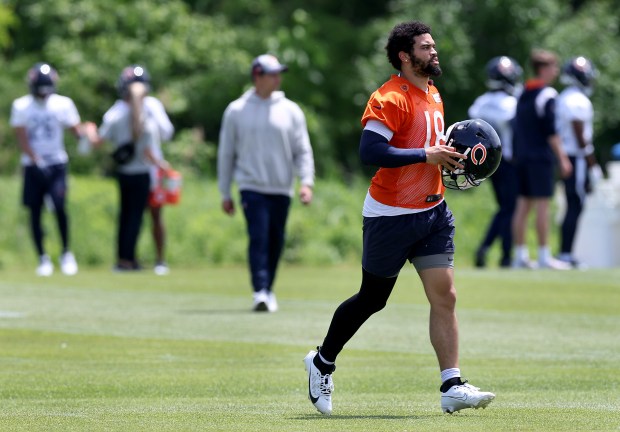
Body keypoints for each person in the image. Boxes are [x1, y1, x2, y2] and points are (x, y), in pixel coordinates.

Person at [303, 21, 496, 416]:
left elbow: (431, 150)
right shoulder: (389, 97)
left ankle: (451, 385)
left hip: (433, 212)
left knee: (446, 295)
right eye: (426, 47)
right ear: (406, 57)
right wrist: (427, 155)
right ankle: (321, 361)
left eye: (434, 45)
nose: (434, 52)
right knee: (372, 299)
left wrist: (450, 155)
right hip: (390, 215)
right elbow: (371, 151)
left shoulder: (435, 94)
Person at [217, 54, 315, 313]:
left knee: (275, 240)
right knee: (258, 236)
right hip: (251, 186)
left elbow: (302, 150)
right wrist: (224, 192)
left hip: (281, 187)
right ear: (257, 76)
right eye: (272, 74)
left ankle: (268, 289)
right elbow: (226, 154)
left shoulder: (291, 110)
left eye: (278, 74)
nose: (277, 79)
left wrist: (306, 182)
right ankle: (260, 290)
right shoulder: (236, 110)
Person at [84, 65, 168, 271]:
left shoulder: (115, 116)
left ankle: (123, 258)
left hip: (124, 173)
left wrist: (89, 130)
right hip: (141, 173)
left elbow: (100, 140)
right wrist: (162, 165)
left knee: (125, 216)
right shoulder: (145, 121)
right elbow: (149, 151)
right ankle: (129, 259)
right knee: (136, 218)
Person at [10, 62, 86, 276]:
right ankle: (42, 257)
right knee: (35, 211)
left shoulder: (63, 104)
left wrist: (86, 135)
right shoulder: (21, 106)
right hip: (33, 165)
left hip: (57, 163)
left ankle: (66, 253)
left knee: (60, 206)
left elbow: (76, 130)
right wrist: (35, 159)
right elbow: (21, 137)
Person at [110, 65, 175, 275]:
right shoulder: (118, 110)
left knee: (155, 213)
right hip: (134, 168)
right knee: (131, 214)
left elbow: (166, 132)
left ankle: (160, 259)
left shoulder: (153, 106)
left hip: (153, 169)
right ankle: (127, 258)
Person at [511, 49, 572, 270]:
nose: (555, 71)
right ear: (543, 69)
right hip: (540, 158)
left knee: (522, 207)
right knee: (543, 206)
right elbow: (551, 132)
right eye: (553, 67)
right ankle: (545, 256)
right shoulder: (548, 95)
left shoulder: (522, 92)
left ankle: (520, 256)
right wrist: (563, 158)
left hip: (522, 157)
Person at [469, 56, 523, 268]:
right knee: (509, 208)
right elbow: (518, 133)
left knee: (504, 208)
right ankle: (501, 253)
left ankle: (494, 250)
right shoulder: (512, 103)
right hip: (508, 160)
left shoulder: (480, 102)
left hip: (486, 162)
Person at [555, 56, 600, 268]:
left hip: (567, 155)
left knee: (573, 203)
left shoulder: (565, 96)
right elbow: (579, 133)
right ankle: (565, 253)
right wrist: (592, 163)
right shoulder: (577, 100)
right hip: (576, 156)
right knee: (575, 203)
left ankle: (565, 252)